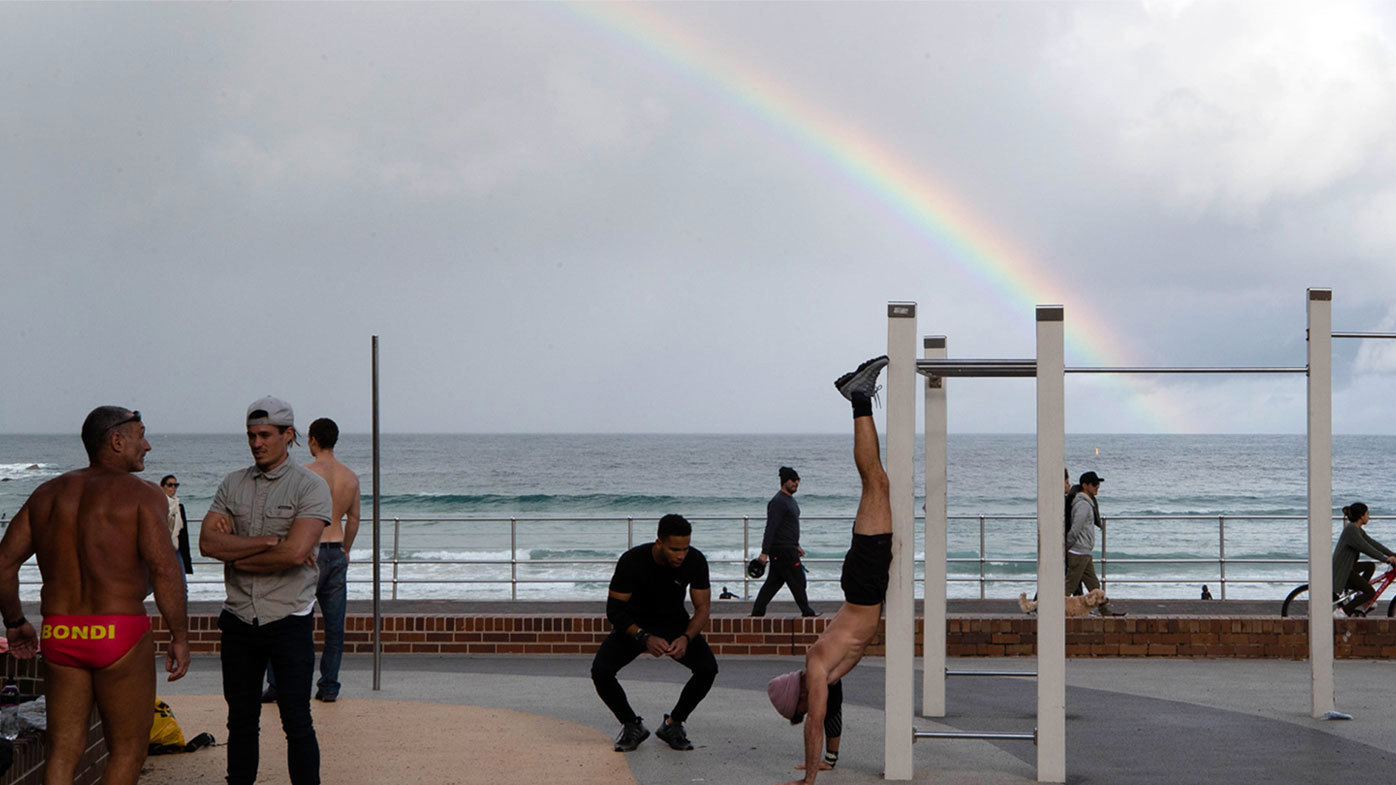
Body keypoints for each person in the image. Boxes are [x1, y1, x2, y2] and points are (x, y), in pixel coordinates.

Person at [0, 406, 190, 785]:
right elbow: (165, 568)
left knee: (63, 749)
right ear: (116, 441)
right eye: (141, 436)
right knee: (127, 750)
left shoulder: (47, 494)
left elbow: (3, 563)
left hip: (60, 633)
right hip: (118, 631)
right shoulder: (143, 494)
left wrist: (16, 622)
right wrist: (180, 636)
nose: (148, 445)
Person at [766, 355, 893, 785]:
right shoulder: (824, 669)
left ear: (802, 697)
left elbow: (816, 723)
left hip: (863, 587)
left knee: (876, 482)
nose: (808, 708)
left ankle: (858, 397)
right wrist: (824, 762)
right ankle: (855, 395)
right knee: (878, 483)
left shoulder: (818, 666)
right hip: (863, 587)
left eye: (802, 707)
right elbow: (827, 717)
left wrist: (809, 781)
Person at [199, 396, 332, 785]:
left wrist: (238, 554)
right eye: (251, 435)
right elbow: (207, 544)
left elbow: (295, 553)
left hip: (288, 620)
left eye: (265, 435)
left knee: (297, 719)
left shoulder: (311, 486)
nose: (257, 443)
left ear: (288, 435)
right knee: (240, 719)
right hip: (239, 618)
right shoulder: (232, 483)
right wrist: (271, 542)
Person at [591, 514, 716, 753]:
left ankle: (674, 723)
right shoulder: (632, 561)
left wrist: (686, 638)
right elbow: (614, 610)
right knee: (601, 672)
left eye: (685, 548)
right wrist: (643, 637)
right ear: (659, 542)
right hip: (634, 626)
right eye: (675, 549)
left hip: (675, 624)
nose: (681, 555)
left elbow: (702, 608)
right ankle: (631, 724)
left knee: (707, 669)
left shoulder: (696, 560)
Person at [263, 417, 360, 704]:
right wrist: (346, 548)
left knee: (286, 619)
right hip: (336, 550)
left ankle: (280, 683)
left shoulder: (304, 474)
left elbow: (290, 518)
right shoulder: (350, 476)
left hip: (309, 553)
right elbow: (353, 519)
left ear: (313, 440)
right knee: (334, 627)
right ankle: (329, 686)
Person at [752, 466, 818, 617]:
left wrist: (796, 545)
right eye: (793, 480)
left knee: (774, 582)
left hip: (789, 547)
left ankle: (757, 612)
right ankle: (807, 611)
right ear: (784, 482)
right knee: (797, 579)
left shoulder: (790, 501)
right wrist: (764, 552)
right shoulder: (778, 502)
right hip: (781, 549)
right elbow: (771, 527)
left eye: (798, 480)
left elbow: (788, 526)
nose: (796, 483)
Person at [1064, 471, 1122, 616]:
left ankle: (1106, 612)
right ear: (1085, 486)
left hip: (1084, 552)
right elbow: (1076, 527)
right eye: (1094, 484)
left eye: (1098, 484)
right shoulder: (1083, 504)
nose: (1098, 487)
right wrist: (1067, 545)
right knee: (1068, 586)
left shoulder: (1087, 502)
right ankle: (1048, 609)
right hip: (1078, 551)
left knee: (1094, 586)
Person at [1331, 502, 1396, 616]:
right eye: (1367, 514)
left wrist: (1393, 555)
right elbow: (1366, 548)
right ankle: (1343, 611)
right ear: (1361, 516)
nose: (1368, 516)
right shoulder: (1351, 530)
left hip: (1347, 567)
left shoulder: (1357, 529)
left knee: (1370, 566)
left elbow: (1372, 543)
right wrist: (1385, 559)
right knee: (1370, 592)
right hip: (1343, 571)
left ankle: (1359, 595)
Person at [161, 474, 195, 573]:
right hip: (161, 547)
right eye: (170, 485)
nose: (173, 488)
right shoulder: (157, 504)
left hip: (176, 548)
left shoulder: (179, 507)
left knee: (182, 584)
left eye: (176, 485)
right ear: (162, 487)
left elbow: (183, 532)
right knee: (153, 582)